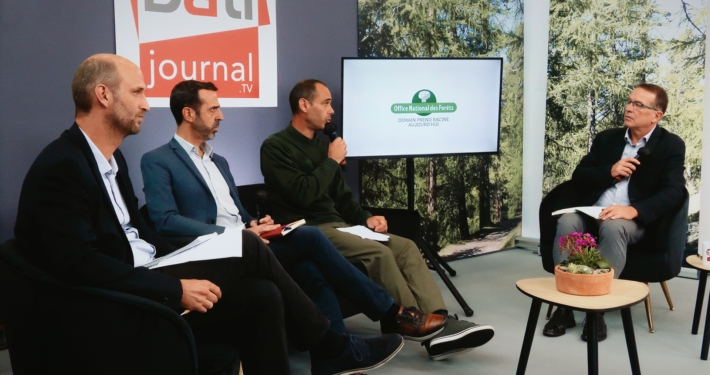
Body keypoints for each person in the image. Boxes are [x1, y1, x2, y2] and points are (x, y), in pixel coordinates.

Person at [13, 54, 405, 375]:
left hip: (152, 265)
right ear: (103, 95)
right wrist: (176, 287)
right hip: (115, 299)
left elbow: (142, 234)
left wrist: (187, 259)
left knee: (262, 294)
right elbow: (79, 265)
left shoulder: (112, 161)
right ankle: (333, 347)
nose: (147, 103)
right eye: (137, 92)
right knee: (252, 249)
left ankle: (331, 349)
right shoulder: (63, 166)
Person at [140, 79, 446, 342]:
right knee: (311, 238)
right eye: (213, 109)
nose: (221, 116)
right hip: (216, 250)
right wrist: (237, 233)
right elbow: (164, 221)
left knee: (311, 272)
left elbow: (236, 210)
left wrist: (256, 222)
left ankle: (336, 354)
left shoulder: (218, 161)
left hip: (250, 242)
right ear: (188, 113)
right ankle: (394, 313)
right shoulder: (157, 160)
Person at [260, 79, 495, 360]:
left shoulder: (324, 148)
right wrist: (331, 162)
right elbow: (302, 195)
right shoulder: (276, 147)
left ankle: (441, 324)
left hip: (340, 225)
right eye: (326, 103)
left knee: (405, 246)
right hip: (308, 229)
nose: (331, 110)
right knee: (378, 253)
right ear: (303, 104)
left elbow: (344, 199)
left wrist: (367, 218)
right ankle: (413, 323)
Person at [545, 83, 686, 341]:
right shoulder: (607, 139)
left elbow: (675, 191)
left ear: (657, 115)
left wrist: (634, 210)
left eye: (638, 105)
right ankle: (564, 307)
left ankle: (597, 312)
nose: (629, 108)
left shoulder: (671, 145)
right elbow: (579, 176)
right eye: (629, 101)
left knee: (613, 225)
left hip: (631, 219)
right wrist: (609, 170)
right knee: (567, 221)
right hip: (593, 211)